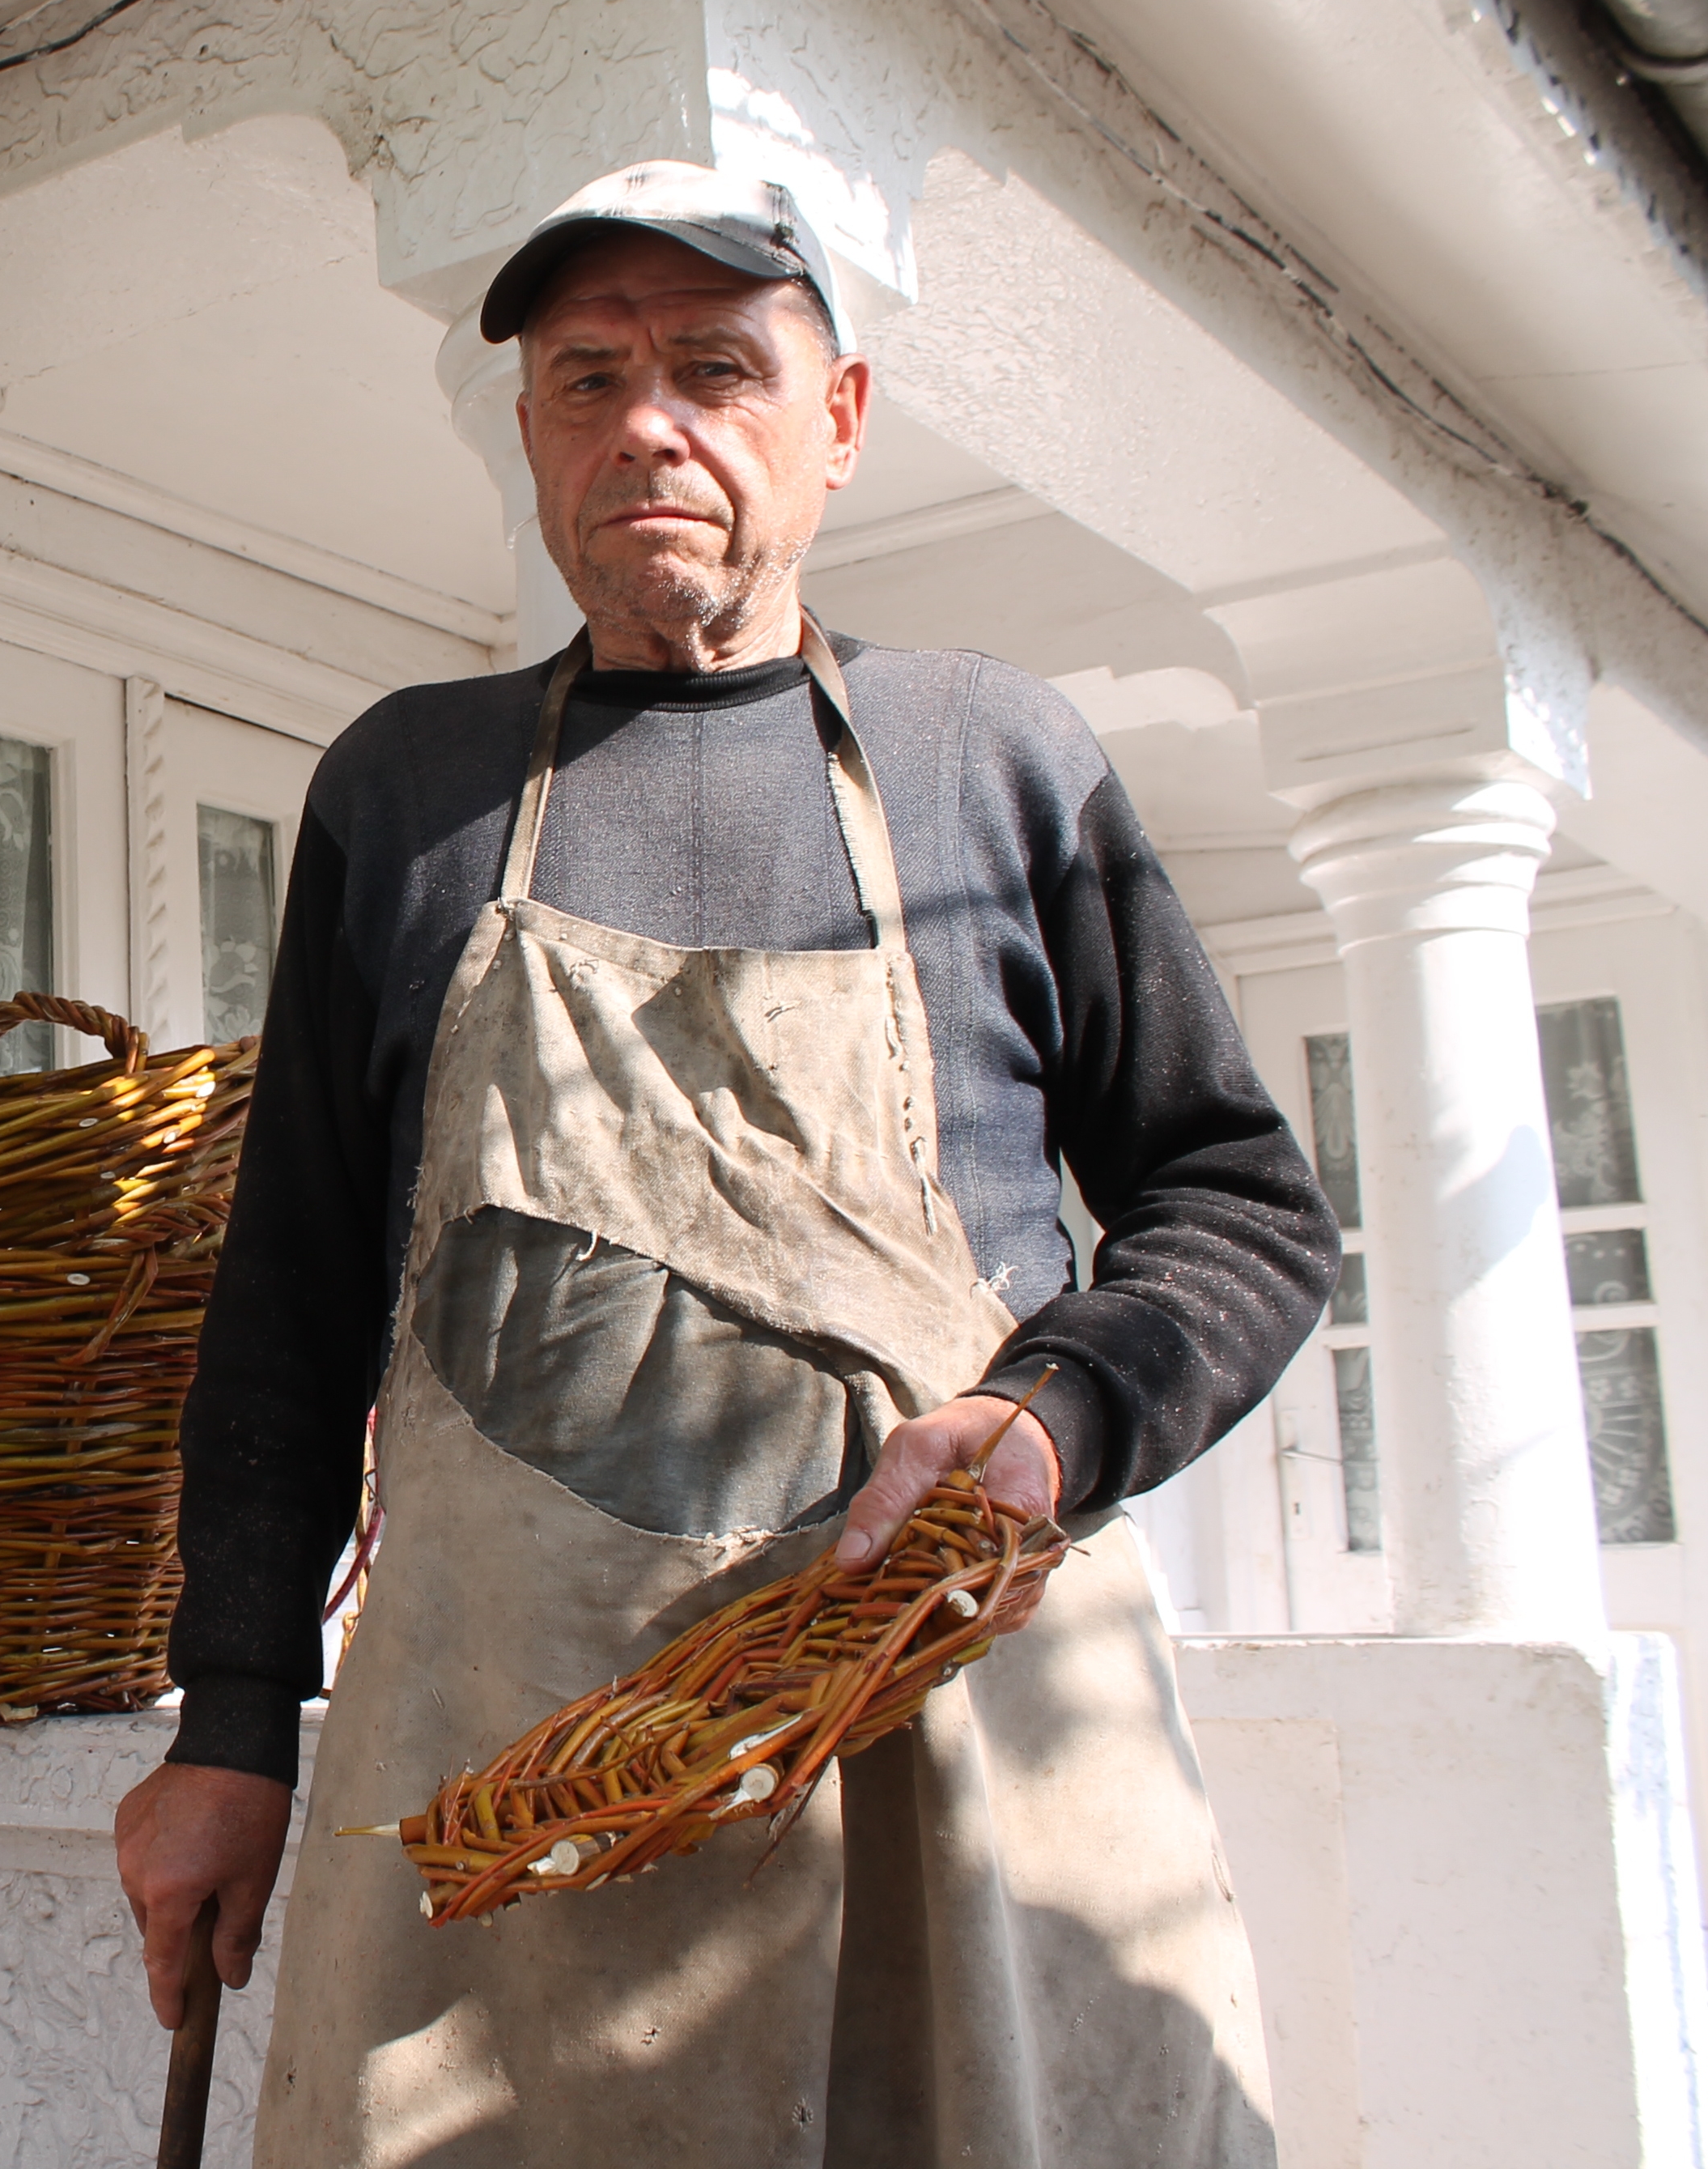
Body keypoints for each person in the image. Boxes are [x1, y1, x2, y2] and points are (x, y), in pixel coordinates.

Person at [111, 159, 1339, 2165]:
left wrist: (1055, 1415)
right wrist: (231, 1723)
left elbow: (1241, 1200)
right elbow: (291, 1311)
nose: (644, 426)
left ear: (836, 423)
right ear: (527, 434)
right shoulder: (407, 793)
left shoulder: (994, 763)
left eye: (715, 367)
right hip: (511, 1805)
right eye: (584, 378)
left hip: (967, 1777)